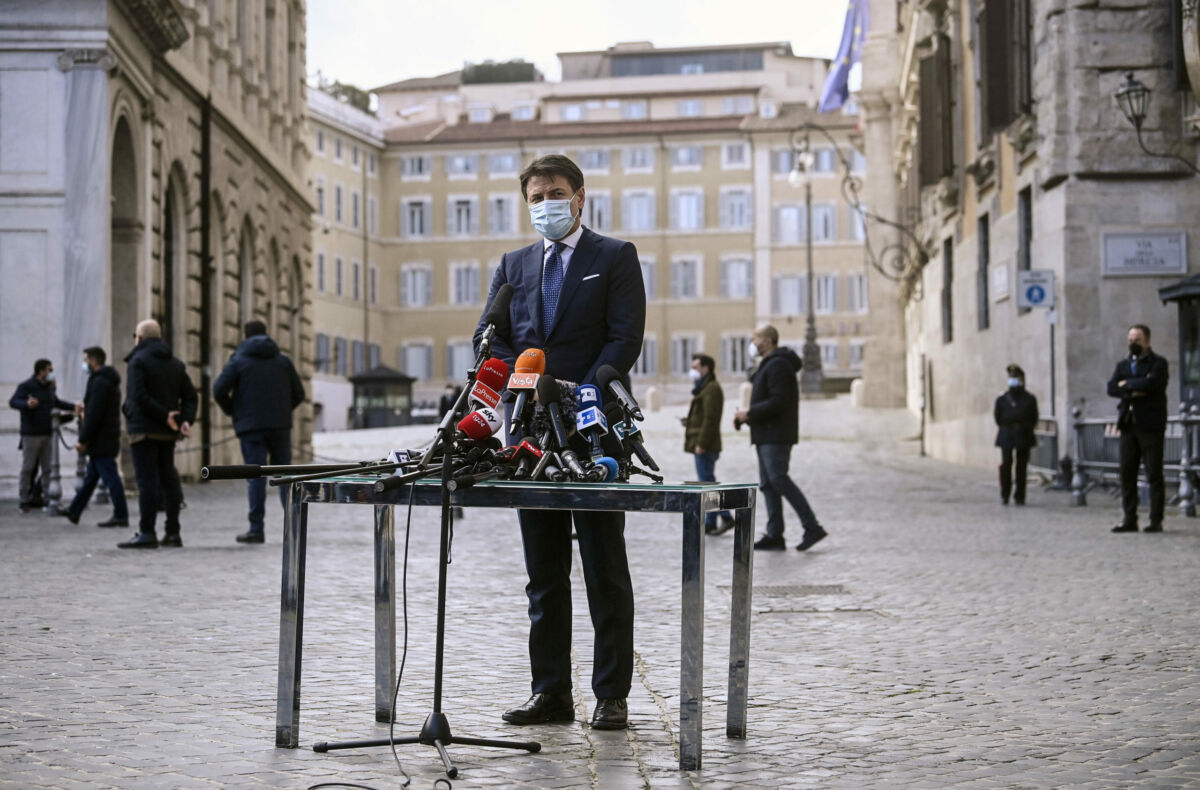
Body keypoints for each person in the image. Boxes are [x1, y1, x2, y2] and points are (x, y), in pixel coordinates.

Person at [473, 154, 645, 731]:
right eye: (535, 195)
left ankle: (611, 694)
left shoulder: (614, 257)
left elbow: (624, 339)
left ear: (579, 197)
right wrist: (502, 371)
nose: (545, 202)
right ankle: (550, 693)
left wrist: (580, 393)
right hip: (527, 434)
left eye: (555, 192)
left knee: (604, 567)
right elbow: (492, 338)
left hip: (592, 429)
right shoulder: (513, 264)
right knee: (543, 573)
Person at [733, 325, 827, 552]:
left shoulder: (778, 365)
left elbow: (779, 402)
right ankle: (775, 535)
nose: (752, 342)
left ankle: (812, 526)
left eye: (755, 338)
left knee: (779, 479)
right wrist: (747, 416)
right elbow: (769, 401)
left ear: (767, 341)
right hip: (765, 433)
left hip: (776, 435)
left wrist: (750, 413)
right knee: (768, 485)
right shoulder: (769, 364)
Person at [214, 320, 305, 544]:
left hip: (251, 427)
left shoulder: (239, 361)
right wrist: (283, 411)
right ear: (267, 334)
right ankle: (293, 525)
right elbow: (299, 393)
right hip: (280, 427)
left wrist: (234, 412)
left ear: (245, 336)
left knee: (255, 477)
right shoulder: (283, 361)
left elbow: (218, 389)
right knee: (284, 475)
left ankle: (256, 529)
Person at [118, 319, 197, 549]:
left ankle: (147, 532)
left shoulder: (137, 362)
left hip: (144, 430)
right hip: (167, 433)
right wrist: (184, 420)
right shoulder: (175, 363)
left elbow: (138, 396)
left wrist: (165, 415)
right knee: (169, 480)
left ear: (140, 338)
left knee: (147, 482)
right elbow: (191, 396)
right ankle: (173, 532)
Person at [57, 347, 129, 526]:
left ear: (94, 361)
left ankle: (121, 515)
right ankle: (75, 511)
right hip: (105, 437)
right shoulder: (105, 381)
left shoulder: (99, 382)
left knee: (111, 478)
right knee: (91, 478)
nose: (84, 364)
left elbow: (95, 414)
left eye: (86, 360)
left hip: (101, 439)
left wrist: (83, 439)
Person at [1107, 323, 1169, 534]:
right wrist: (1133, 386)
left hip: (1150, 425)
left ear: (1147, 341)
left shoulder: (1158, 363)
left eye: (1138, 340)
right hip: (1128, 424)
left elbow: (1152, 385)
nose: (1134, 343)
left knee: (1153, 473)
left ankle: (1155, 519)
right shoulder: (1123, 365)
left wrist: (1128, 385)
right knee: (1127, 473)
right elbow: (1111, 387)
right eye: (1131, 339)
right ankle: (1129, 518)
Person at [9, 359, 73, 513]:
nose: (51, 373)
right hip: (31, 434)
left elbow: (56, 403)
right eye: (49, 370)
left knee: (48, 469)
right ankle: (24, 499)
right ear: (41, 371)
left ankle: (49, 498)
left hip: (48, 433)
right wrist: (27, 403)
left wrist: (73, 407)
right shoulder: (27, 386)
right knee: (28, 468)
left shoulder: (49, 389)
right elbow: (13, 401)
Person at [683, 352, 735, 535]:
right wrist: (688, 421)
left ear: (706, 368)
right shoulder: (704, 387)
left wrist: (702, 443)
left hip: (706, 444)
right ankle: (712, 521)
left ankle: (726, 517)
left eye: (695, 367)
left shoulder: (711, 388)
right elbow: (703, 415)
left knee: (708, 483)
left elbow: (711, 419)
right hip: (702, 441)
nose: (692, 371)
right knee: (707, 481)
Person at [993, 363, 1039, 506]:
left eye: (1016, 377)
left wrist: (1024, 428)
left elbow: (1034, 417)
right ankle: (1005, 494)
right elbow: (998, 417)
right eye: (1011, 377)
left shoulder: (1029, 398)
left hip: (1023, 434)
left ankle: (1020, 495)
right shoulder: (1002, 398)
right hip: (1007, 434)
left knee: (1021, 467)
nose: (1013, 380)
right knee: (1006, 465)